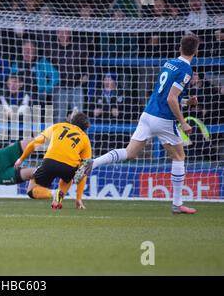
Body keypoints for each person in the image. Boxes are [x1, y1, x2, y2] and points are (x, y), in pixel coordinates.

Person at [74, 35, 201, 215]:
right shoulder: (186, 70)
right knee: (179, 157)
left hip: (148, 114)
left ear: (180, 48)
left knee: (130, 152)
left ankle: (93, 163)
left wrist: (187, 102)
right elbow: (171, 98)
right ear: (196, 51)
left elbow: (165, 95)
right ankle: (177, 204)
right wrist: (183, 122)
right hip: (164, 119)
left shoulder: (169, 63)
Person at [14, 112, 92, 210]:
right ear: (86, 127)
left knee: (31, 190)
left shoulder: (58, 126)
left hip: (50, 162)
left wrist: (21, 159)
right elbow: (83, 169)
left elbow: (34, 143)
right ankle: (57, 201)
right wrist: (78, 198)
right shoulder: (85, 139)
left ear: (71, 121)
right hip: (69, 167)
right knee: (68, 177)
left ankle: (54, 193)